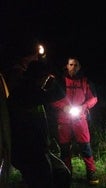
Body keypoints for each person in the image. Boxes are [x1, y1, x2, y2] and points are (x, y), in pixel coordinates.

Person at [5, 46, 71, 188]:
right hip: (31, 151)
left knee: (58, 174)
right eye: (44, 78)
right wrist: (53, 80)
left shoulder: (26, 90)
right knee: (47, 179)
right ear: (39, 77)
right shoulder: (28, 93)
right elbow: (59, 94)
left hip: (34, 149)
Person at [50, 57, 99, 185]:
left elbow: (93, 98)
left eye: (76, 65)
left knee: (85, 146)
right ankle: (66, 173)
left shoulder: (85, 81)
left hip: (80, 118)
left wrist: (83, 107)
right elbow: (52, 99)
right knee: (65, 148)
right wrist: (64, 106)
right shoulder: (59, 81)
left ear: (80, 67)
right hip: (63, 119)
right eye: (71, 64)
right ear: (67, 66)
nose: (73, 67)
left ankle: (91, 172)